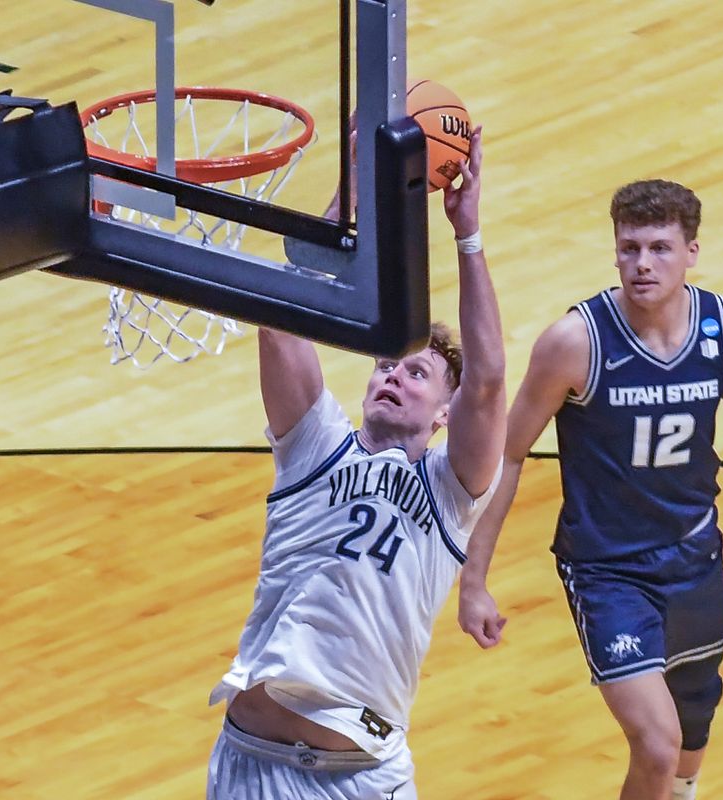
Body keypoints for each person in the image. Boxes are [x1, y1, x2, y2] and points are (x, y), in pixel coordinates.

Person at [456, 179, 723, 800]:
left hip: (695, 558)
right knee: (655, 745)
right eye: (629, 248)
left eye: (659, 248)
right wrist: (474, 579)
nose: (642, 264)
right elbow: (511, 454)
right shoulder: (576, 343)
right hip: (607, 572)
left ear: (692, 252)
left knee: (691, 730)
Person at [206, 126, 505, 799]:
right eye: (386, 365)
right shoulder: (316, 447)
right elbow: (279, 309)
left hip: (360, 780)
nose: (394, 376)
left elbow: (486, 381)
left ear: (443, 415)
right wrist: (352, 194)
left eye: (419, 373)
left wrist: (468, 236)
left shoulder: (448, 494)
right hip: (251, 765)